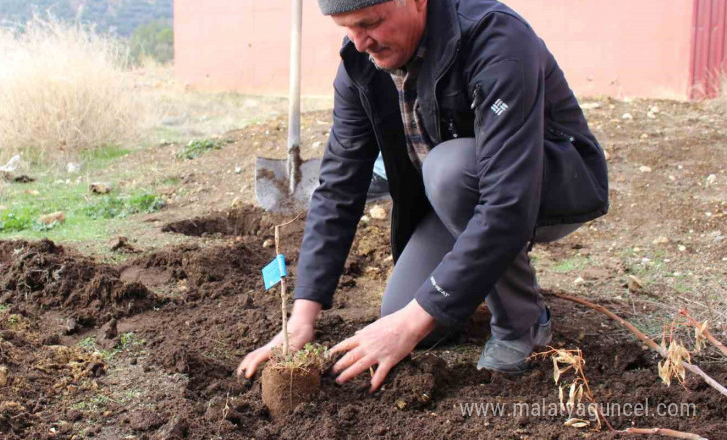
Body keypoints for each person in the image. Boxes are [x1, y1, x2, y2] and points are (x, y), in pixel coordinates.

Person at [238, 0, 608, 392]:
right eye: (348, 29)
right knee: (402, 312)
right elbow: (338, 189)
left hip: (550, 184)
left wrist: (414, 320)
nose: (362, 43)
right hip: (462, 194)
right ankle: (477, 276)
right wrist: (301, 318)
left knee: (447, 171)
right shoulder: (361, 65)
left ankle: (522, 323)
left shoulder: (495, 38)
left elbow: (508, 200)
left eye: (371, 23)